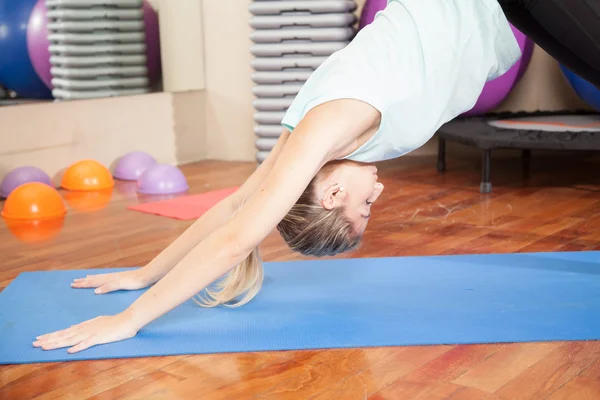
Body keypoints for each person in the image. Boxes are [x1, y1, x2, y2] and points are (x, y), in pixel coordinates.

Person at [32, 0, 524, 353]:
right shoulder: (306, 141)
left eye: (366, 205)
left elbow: (235, 237)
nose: (378, 191)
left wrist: (129, 319)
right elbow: (235, 206)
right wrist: (145, 274)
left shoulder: (325, 131)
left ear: (332, 194)